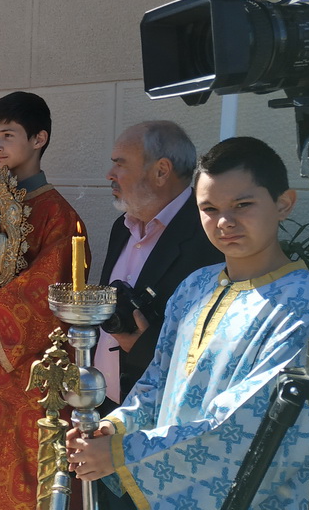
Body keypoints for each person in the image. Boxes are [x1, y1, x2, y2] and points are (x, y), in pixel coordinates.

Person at [66, 137, 309, 509]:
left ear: (283, 203)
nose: (225, 222)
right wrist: (115, 426)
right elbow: (157, 380)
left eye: (243, 205)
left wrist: (122, 454)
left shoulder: (306, 302)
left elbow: (250, 423)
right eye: (209, 208)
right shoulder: (197, 285)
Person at [0, 91, 89, 509]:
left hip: (33, 374)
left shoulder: (61, 217)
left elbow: (49, 295)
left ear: (39, 138)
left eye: (8, 134)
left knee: (25, 471)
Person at [95, 121, 223, 413]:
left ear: (161, 171)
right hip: (103, 403)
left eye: (120, 164)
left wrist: (144, 347)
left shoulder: (209, 237)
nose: (110, 175)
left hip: (156, 413)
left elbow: (212, 346)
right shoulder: (122, 228)